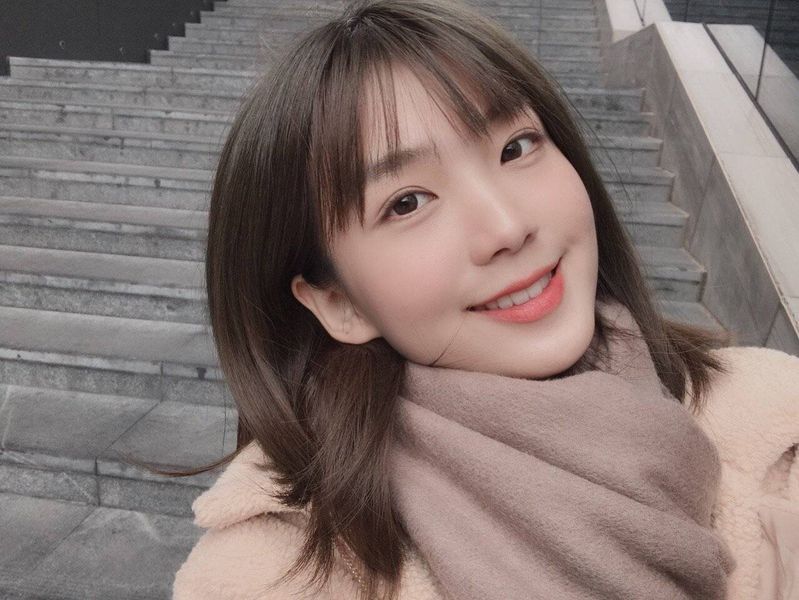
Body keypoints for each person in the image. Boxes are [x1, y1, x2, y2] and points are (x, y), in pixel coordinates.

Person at [169, 1, 799, 598]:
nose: (506, 227)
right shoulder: (273, 574)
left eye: (515, 147)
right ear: (339, 304)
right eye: (407, 203)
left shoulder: (776, 418)